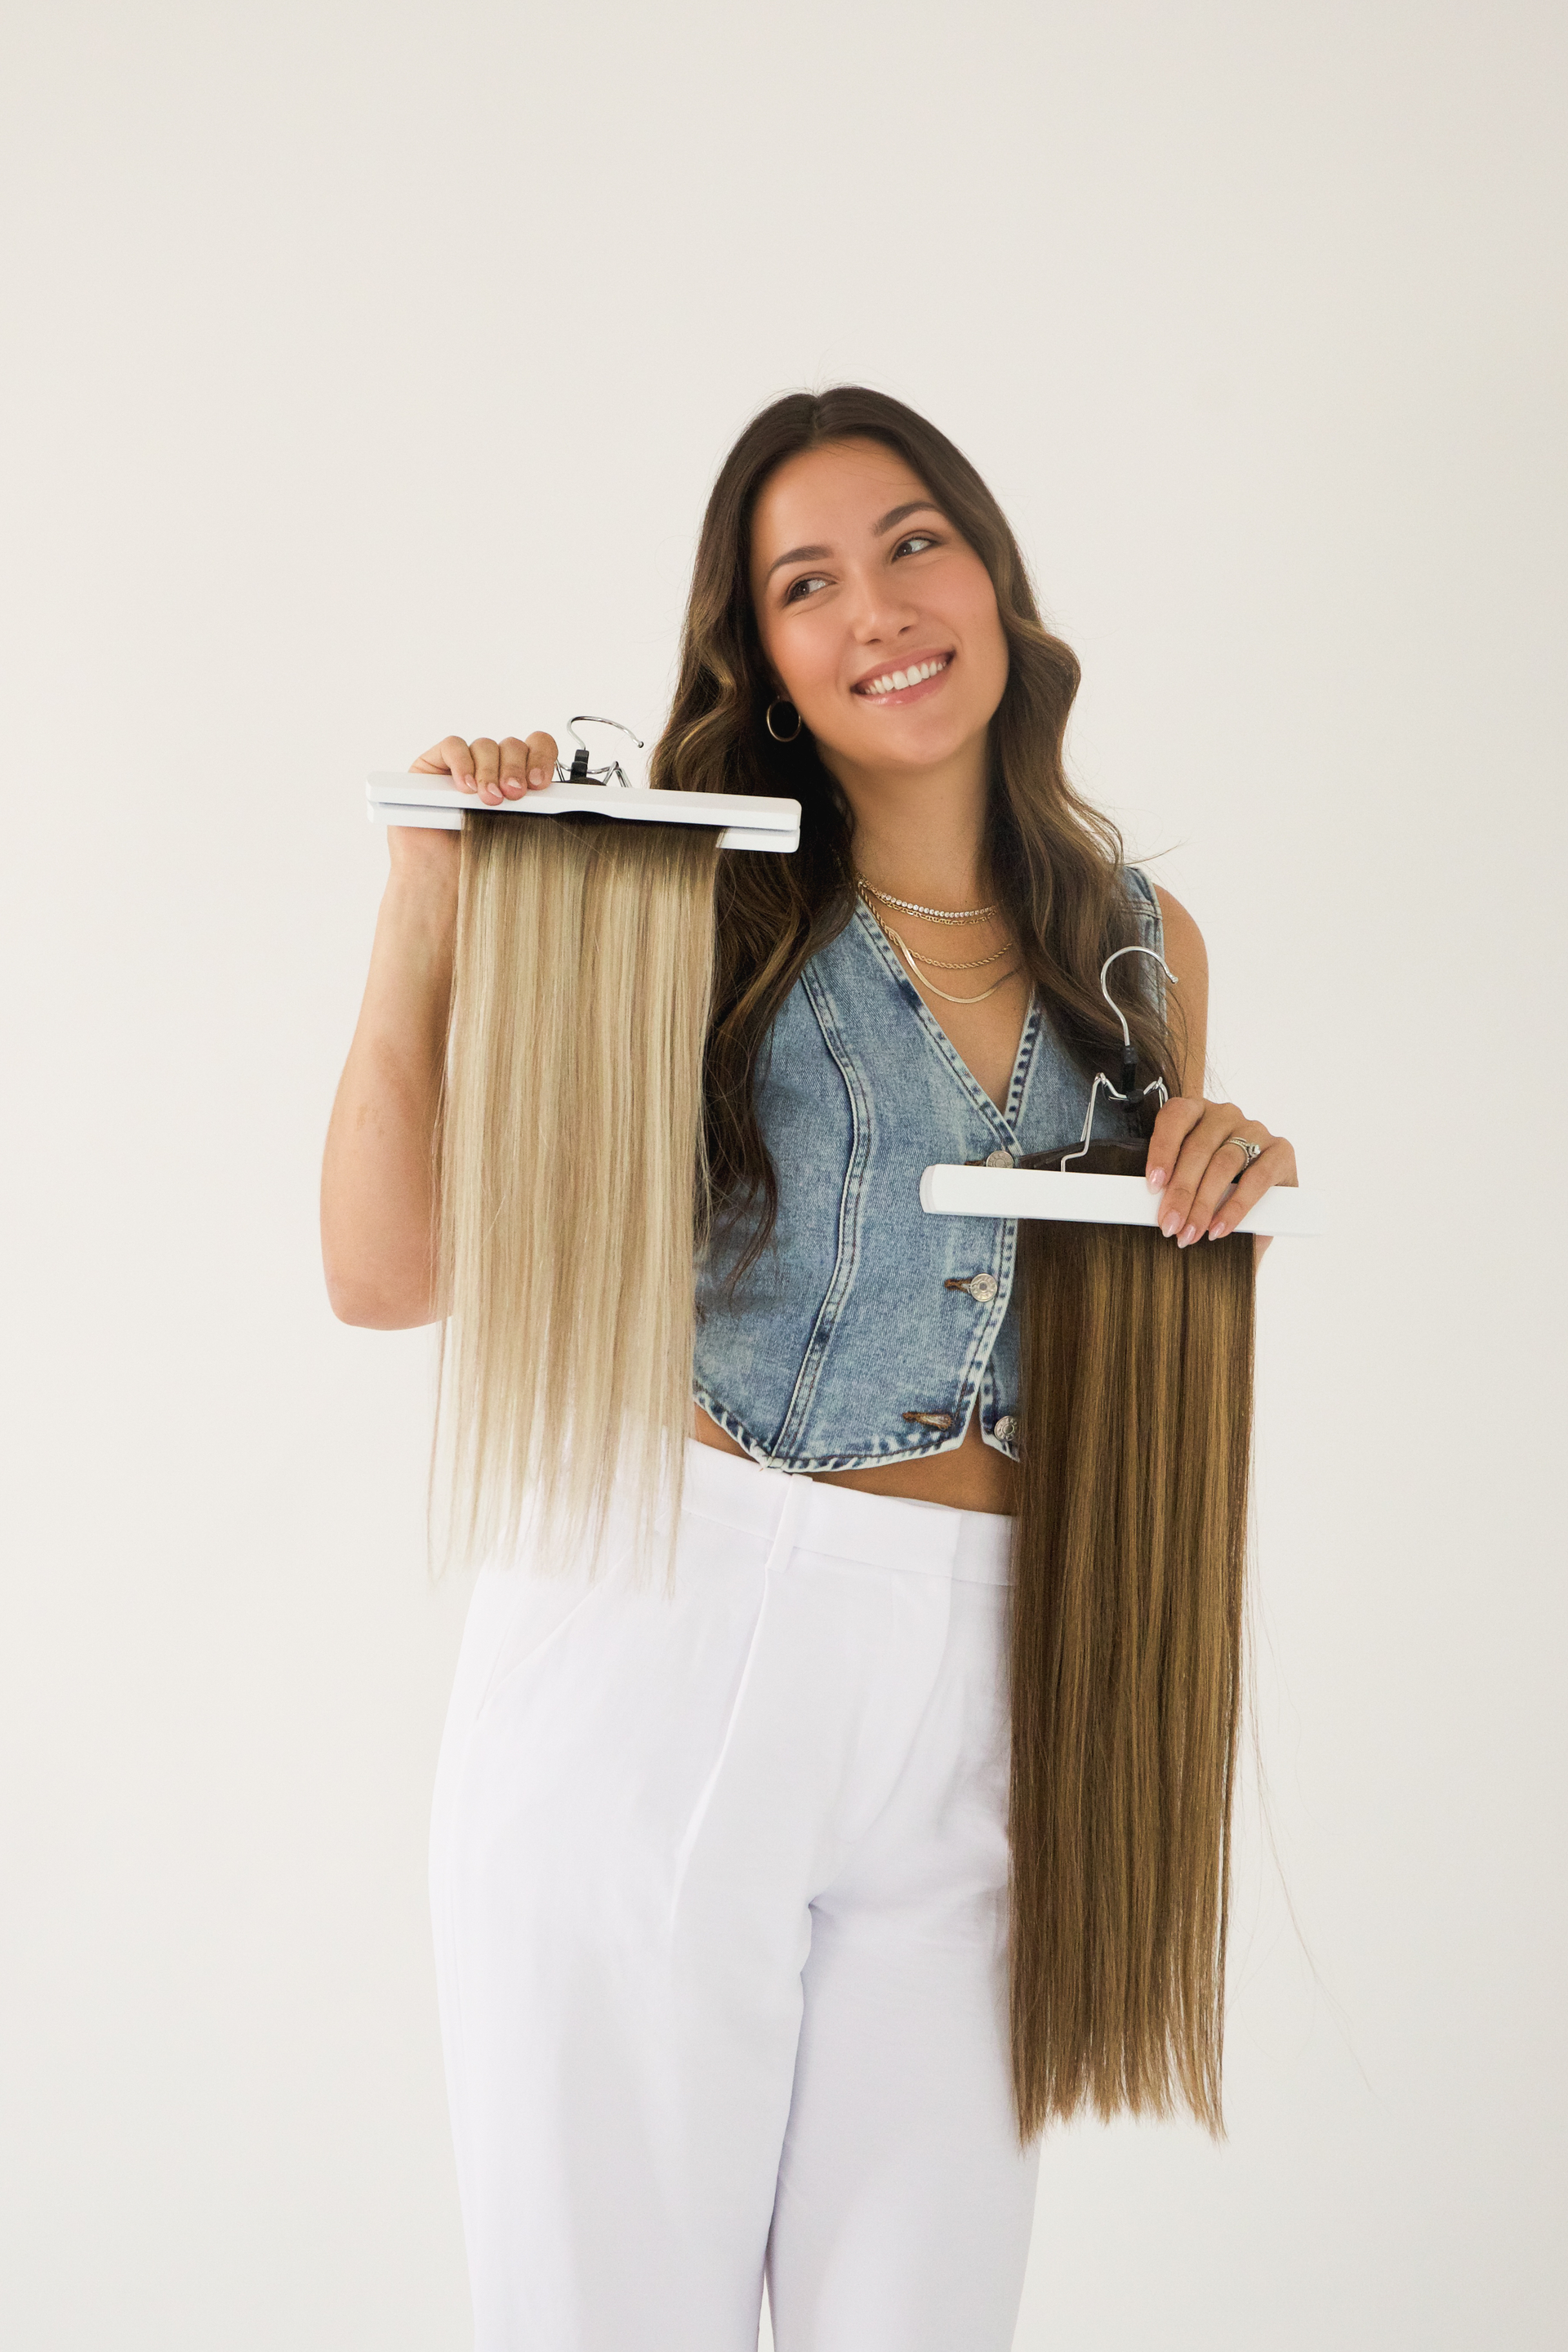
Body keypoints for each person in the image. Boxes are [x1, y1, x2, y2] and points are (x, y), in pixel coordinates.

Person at [320, 386, 1298, 2352]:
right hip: (672, 1648)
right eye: (806, 582)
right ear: (756, 657)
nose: (880, 607)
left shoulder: (1141, 944)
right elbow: (387, 1268)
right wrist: (438, 898)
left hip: (1001, 1684)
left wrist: (1222, 1163)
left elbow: (1126, 1306)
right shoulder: (684, 899)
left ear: (996, 574)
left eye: (915, 541)